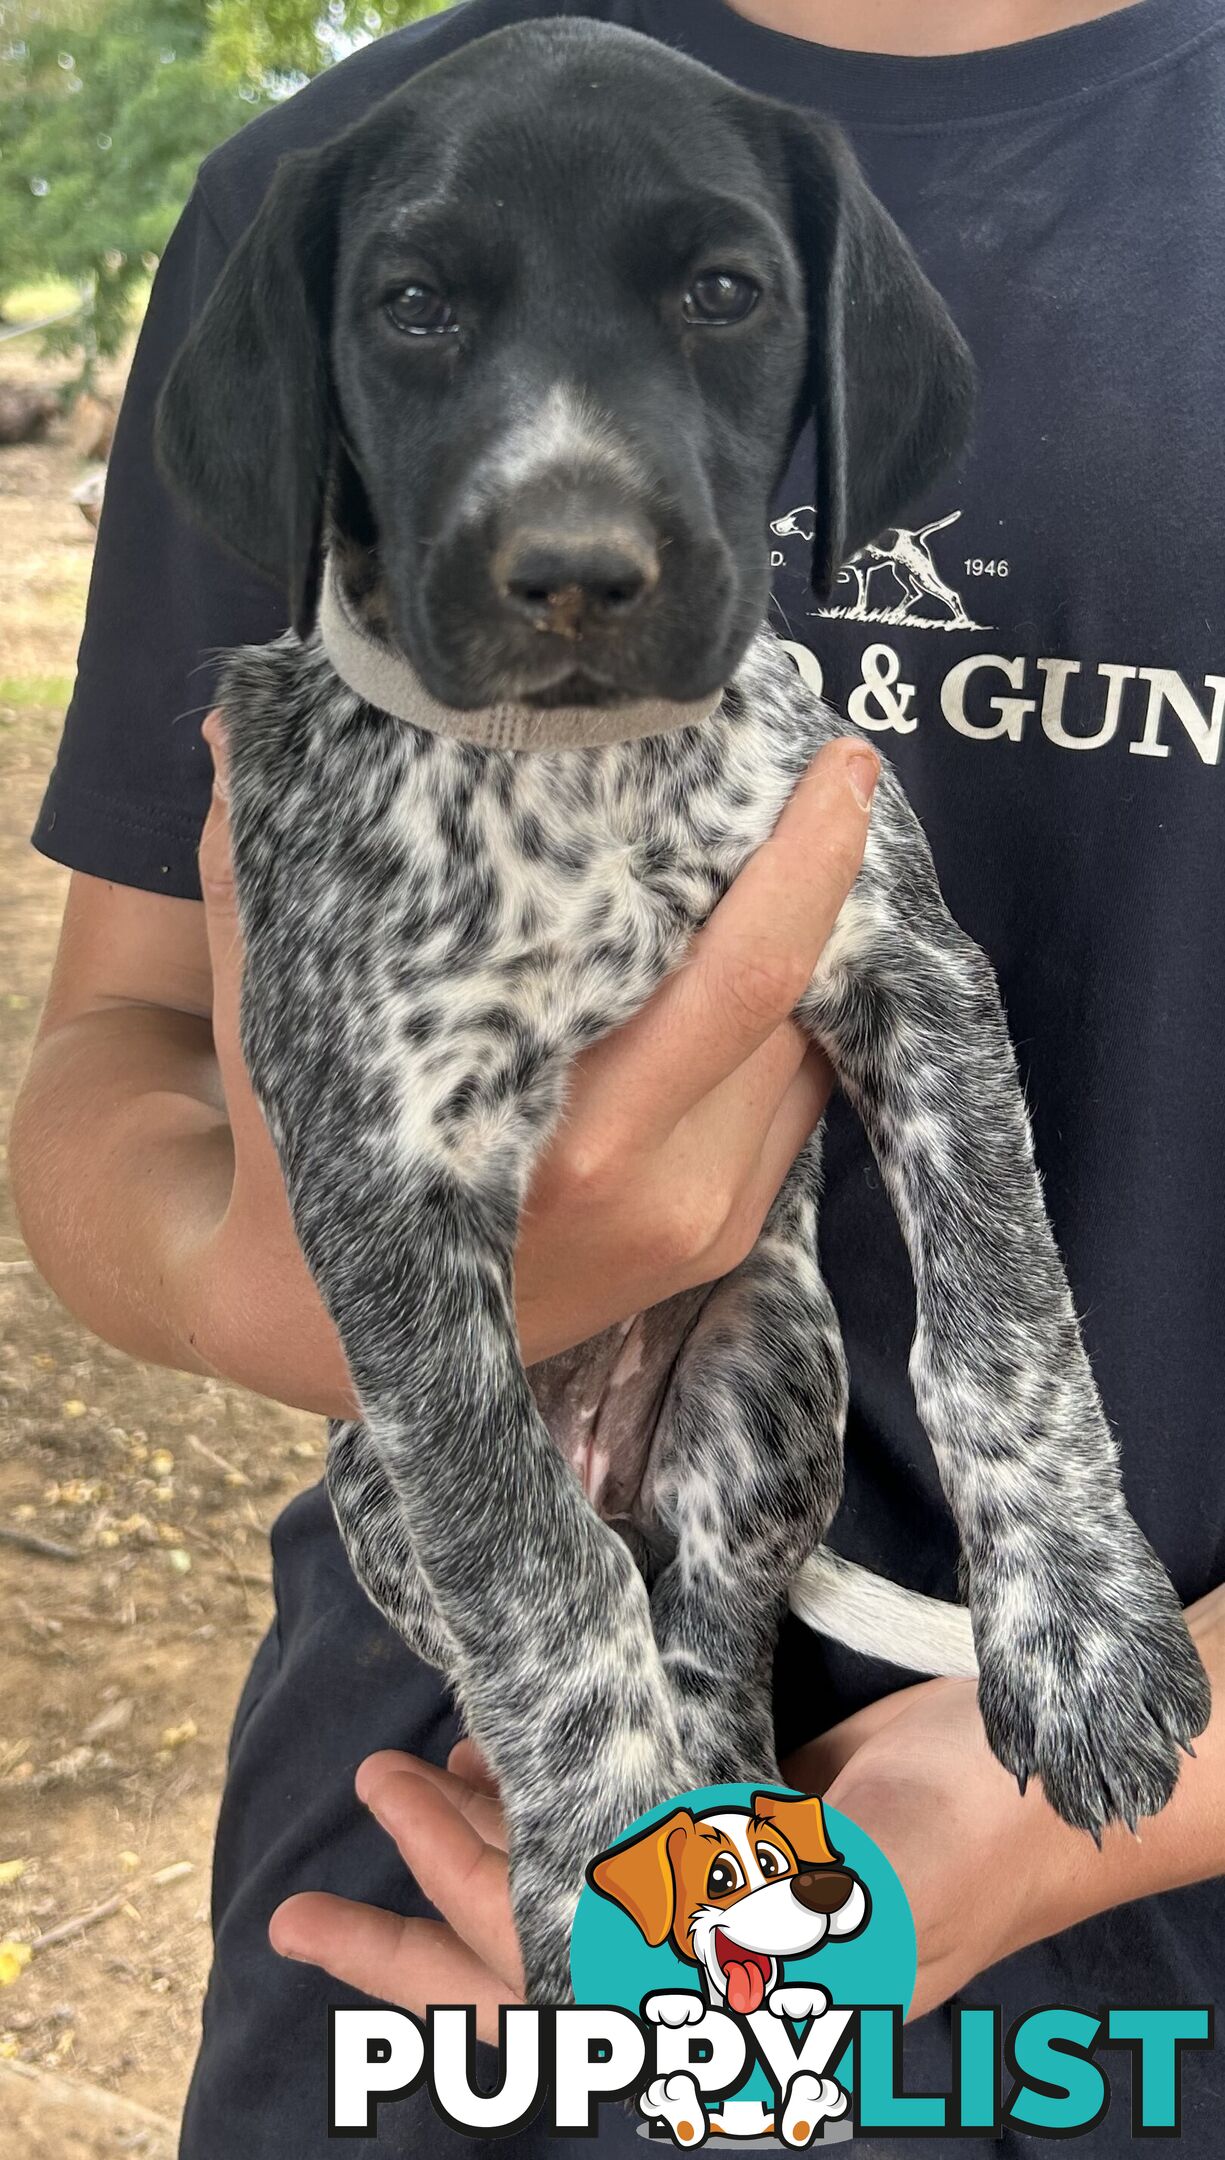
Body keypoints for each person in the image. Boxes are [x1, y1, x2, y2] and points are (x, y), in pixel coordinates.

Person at [11, 0, 1225, 2150]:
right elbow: (125, 1052)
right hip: (468, 1853)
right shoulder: (323, 170)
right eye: (424, 312)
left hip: (1130, 1931)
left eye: (715, 301)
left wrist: (1070, 1826)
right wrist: (268, 1283)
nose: (570, 525)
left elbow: (908, 1010)